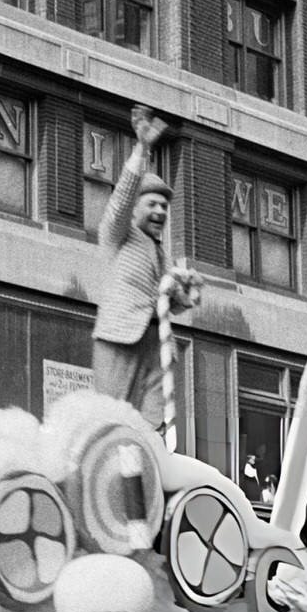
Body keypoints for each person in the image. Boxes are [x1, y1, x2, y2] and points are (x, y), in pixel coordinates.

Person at [92, 104, 182, 426]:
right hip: (120, 339)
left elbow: (173, 303)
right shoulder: (117, 233)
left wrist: (189, 289)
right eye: (153, 204)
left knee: (153, 425)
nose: (161, 211)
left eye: (165, 206)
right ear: (134, 209)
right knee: (113, 420)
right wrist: (141, 148)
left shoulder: (162, 254)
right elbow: (122, 197)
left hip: (156, 347)